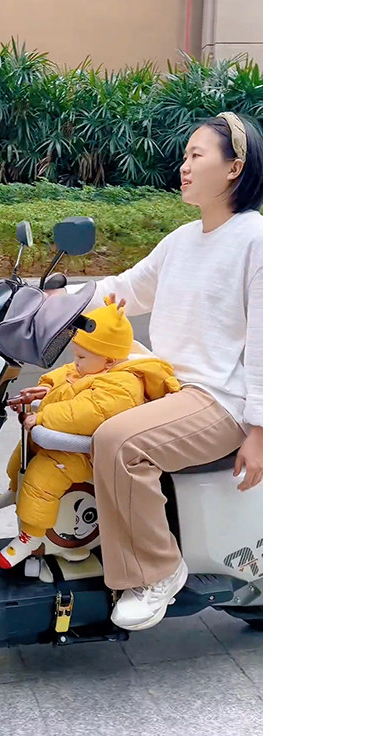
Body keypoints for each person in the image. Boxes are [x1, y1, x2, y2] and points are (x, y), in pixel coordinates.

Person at [64, 111, 263, 631]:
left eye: (197, 155)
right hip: (167, 386)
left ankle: (157, 572)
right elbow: (123, 291)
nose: (184, 166)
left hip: (217, 400)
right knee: (59, 406)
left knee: (120, 442)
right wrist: (49, 301)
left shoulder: (257, 241)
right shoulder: (183, 239)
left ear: (234, 167)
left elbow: (270, 343)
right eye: (185, 156)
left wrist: (261, 430)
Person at [0, 300, 181, 570]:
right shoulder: (93, 367)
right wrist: (45, 388)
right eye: (76, 355)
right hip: (72, 445)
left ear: (109, 360)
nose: (75, 363)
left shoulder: (122, 386)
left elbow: (85, 413)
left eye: (81, 358)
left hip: (91, 455)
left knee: (43, 475)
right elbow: (65, 376)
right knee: (24, 451)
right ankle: (15, 490)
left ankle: (31, 536)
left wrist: (42, 416)